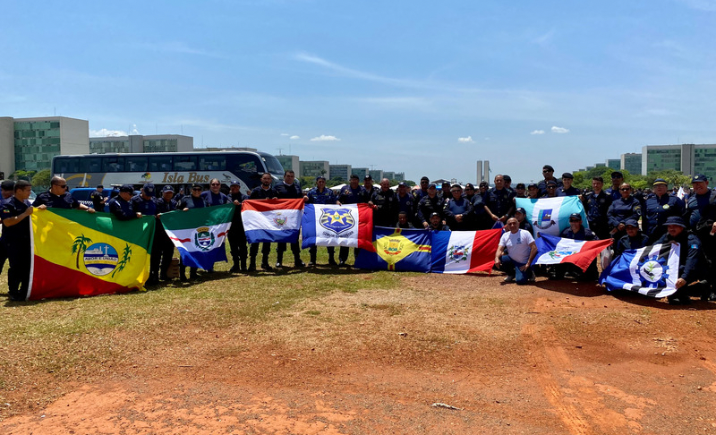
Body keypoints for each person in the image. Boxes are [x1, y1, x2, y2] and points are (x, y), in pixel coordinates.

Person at [655, 216, 708, 304]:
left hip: (694, 269)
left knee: (676, 296)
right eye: (669, 226)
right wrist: (666, 245)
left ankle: (697, 288)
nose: (671, 229)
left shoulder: (692, 240)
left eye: (674, 226)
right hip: (676, 267)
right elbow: (654, 247)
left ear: (681, 227)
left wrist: (684, 278)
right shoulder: (667, 236)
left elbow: (692, 261)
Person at [683, 173, 716, 299]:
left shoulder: (714, 196)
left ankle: (714, 289)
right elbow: (687, 215)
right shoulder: (691, 198)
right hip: (696, 235)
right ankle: (704, 288)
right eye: (695, 184)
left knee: (713, 261)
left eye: (700, 183)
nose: (697, 186)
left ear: (706, 183)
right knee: (702, 261)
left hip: (712, 236)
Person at [1, 180, 34, 301]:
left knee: (26, 266)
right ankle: (13, 291)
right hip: (12, 240)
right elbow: (8, 222)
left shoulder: (26, 202)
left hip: (26, 240)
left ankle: (24, 290)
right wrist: (25, 214)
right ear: (19, 191)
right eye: (28, 190)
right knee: (16, 267)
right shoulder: (8, 204)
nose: (30, 193)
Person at [551, 213, 598, 281]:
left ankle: (591, 275)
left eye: (576, 221)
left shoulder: (587, 233)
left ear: (580, 222)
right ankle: (559, 274)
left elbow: (597, 243)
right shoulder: (566, 232)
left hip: (582, 256)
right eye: (571, 220)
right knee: (557, 254)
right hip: (569, 255)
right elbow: (558, 243)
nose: (573, 223)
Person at [177, 184, 209, 280]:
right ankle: (182, 274)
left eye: (199, 189)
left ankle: (193, 272)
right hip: (186, 229)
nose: (197, 191)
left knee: (197, 250)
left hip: (198, 230)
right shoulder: (185, 199)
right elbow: (176, 211)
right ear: (191, 190)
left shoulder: (203, 201)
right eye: (195, 189)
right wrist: (183, 211)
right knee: (185, 251)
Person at [337, 174, 370, 266]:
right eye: (352, 179)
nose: (354, 181)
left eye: (356, 180)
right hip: (346, 218)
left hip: (359, 218)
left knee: (358, 239)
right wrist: (338, 202)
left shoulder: (363, 190)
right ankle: (342, 260)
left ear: (358, 181)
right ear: (350, 180)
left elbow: (368, 202)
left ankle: (358, 259)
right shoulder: (344, 189)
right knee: (345, 238)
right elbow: (338, 200)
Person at [305, 176, 338, 267]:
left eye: (323, 182)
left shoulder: (329, 192)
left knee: (330, 238)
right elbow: (307, 204)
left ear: (325, 183)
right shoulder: (311, 192)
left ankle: (331, 259)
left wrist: (337, 202)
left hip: (327, 219)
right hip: (315, 219)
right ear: (316, 182)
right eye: (319, 182)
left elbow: (335, 201)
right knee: (314, 238)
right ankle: (312, 260)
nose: (321, 183)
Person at [274, 170, 305, 268]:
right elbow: (272, 199)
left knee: (295, 239)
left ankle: (297, 260)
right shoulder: (277, 187)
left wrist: (304, 198)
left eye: (292, 176)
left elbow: (300, 200)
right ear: (284, 177)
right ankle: (279, 261)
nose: (290, 178)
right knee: (281, 239)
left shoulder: (297, 187)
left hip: (294, 218)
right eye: (288, 176)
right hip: (281, 217)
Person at [131, 183, 160, 284]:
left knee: (155, 254)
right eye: (147, 194)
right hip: (140, 233)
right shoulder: (134, 200)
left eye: (150, 195)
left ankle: (154, 274)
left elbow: (157, 212)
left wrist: (157, 215)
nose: (148, 197)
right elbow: (129, 213)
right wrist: (135, 214)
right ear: (142, 190)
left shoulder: (154, 200)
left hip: (152, 232)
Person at [494, 217, 538, 285]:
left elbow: (534, 248)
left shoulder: (525, 233)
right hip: (512, 260)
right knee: (501, 257)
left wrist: (528, 263)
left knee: (520, 281)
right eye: (510, 224)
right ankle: (511, 274)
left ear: (518, 224)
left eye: (514, 223)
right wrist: (496, 258)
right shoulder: (505, 235)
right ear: (507, 226)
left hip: (523, 262)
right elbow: (500, 249)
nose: (512, 225)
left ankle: (530, 272)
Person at [643, 178, 685, 243]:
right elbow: (644, 218)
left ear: (666, 187)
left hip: (667, 234)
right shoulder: (649, 201)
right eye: (656, 186)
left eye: (662, 186)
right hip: (650, 234)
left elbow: (682, 216)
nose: (659, 188)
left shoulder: (674, 200)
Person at [155, 185, 178, 281]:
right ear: (162, 193)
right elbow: (153, 214)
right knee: (157, 255)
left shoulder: (174, 203)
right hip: (159, 232)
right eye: (167, 192)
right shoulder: (157, 203)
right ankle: (155, 275)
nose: (168, 194)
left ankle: (164, 274)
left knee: (168, 254)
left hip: (170, 233)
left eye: (170, 193)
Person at [227, 180, 249, 273]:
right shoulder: (227, 198)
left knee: (243, 246)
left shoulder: (244, 197)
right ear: (230, 187)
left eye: (236, 186)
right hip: (231, 226)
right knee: (233, 247)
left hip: (242, 225)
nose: (234, 188)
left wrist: (241, 204)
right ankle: (236, 265)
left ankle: (243, 265)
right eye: (232, 186)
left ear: (239, 187)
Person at [582, 176, 613, 240]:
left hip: (603, 226)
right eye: (594, 183)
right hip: (591, 225)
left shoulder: (607, 196)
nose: (596, 185)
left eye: (598, 183)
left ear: (602, 184)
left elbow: (610, 211)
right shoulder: (587, 196)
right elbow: (585, 209)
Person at [0, 179, 15, 275]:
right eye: (2, 190)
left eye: (6, 190)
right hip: (6, 239)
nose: (3, 192)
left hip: (13, 240)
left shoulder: (6, 203)